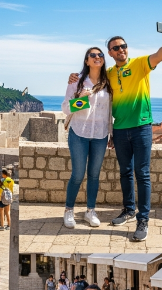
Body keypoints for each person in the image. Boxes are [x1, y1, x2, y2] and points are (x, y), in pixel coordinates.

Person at [70, 26, 162, 241]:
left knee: (142, 174)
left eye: (123, 46)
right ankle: (129, 210)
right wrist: (74, 77)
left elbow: (159, 56)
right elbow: (90, 79)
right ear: (110, 53)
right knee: (125, 173)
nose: (121, 50)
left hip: (141, 127)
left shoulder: (140, 64)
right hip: (119, 130)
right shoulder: (109, 73)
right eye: (115, 48)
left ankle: (143, 219)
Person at [61, 46, 113, 229]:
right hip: (79, 132)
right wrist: (81, 99)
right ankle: (69, 210)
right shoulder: (77, 81)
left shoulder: (108, 82)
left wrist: (111, 133)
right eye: (93, 55)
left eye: (100, 55)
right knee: (77, 174)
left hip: (100, 134)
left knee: (94, 175)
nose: (97, 57)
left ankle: (90, 211)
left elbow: (109, 111)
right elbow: (66, 108)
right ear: (87, 60)